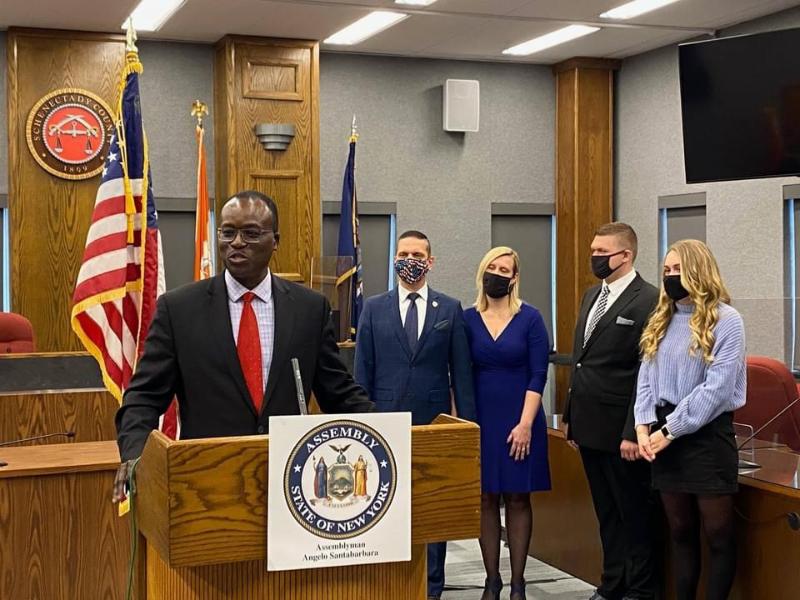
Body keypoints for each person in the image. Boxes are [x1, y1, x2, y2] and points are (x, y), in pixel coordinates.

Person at [113, 190, 372, 500]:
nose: (236, 242)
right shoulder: (179, 309)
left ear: (275, 240)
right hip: (208, 480)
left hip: (289, 482)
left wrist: (396, 436)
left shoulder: (309, 309)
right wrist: (135, 455)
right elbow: (143, 396)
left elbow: (339, 393)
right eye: (228, 232)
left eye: (251, 233)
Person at [354, 229, 476, 600]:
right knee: (384, 506)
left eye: (417, 254)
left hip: (433, 426)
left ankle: (432, 587)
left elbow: (462, 373)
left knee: (432, 509)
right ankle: (390, 584)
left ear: (430, 261)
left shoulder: (450, 309)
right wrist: (362, 424)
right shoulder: (373, 308)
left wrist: (467, 429)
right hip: (384, 423)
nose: (410, 259)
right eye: (403, 252)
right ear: (394, 259)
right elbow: (363, 371)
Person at [635, 239, 745, 600]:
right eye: (666, 270)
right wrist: (642, 425)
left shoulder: (727, 320)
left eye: (677, 270)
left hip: (706, 437)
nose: (670, 277)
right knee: (680, 533)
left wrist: (669, 431)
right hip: (663, 435)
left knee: (718, 535)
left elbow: (715, 390)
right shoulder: (661, 318)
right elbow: (647, 379)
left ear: (698, 272)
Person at [563, 222, 660, 600]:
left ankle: (640, 589)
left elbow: (644, 371)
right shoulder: (592, 295)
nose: (595, 258)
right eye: (593, 250)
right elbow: (582, 361)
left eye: (602, 252)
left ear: (626, 255)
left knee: (634, 513)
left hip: (623, 430)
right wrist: (570, 414)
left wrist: (631, 430)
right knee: (606, 512)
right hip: (588, 424)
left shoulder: (648, 299)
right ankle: (612, 582)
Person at [462, 247, 550, 600]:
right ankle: (491, 580)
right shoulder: (466, 319)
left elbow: (539, 374)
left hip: (521, 418)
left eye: (505, 269)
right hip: (481, 417)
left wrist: (526, 424)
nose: (497, 274)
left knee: (517, 498)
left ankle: (517, 582)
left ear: (515, 277)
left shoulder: (531, 318)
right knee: (485, 497)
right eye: (492, 267)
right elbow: (459, 372)